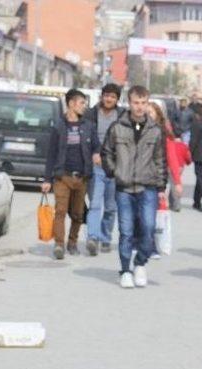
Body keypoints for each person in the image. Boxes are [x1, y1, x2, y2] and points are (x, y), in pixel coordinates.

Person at [102, 85, 167, 289]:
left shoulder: (155, 131)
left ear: (148, 103)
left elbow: (160, 160)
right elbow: (106, 153)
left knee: (147, 228)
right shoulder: (117, 127)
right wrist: (114, 171)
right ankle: (125, 270)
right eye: (136, 103)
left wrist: (161, 185)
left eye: (143, 103)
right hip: (124, 187)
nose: (139, 107)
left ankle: (140, 263)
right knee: (126, 230)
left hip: (147, 186)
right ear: (129, 103)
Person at [42, 89, 101, 260]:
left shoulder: (88, 126)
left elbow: (96, 145)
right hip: (63, 176)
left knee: (77, 213)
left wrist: (96, 153)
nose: (84, 107)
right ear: (71, 104)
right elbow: (51, 154)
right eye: (82, 103)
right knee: (60, 211)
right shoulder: (59, 126)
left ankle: (72, 242)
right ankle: (59, 245)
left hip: (82, 177)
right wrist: (47, 179)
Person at [84, 83, 125, 256]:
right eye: (106, 95)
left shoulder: (123, 116)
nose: (109, 99)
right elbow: (85, 135)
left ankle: (106, 237)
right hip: (96, 166)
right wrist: (94, 152)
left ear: (117, 99)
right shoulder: (91, 114)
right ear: (101, 96)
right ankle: (92, 238)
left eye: (113, 97)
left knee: (110, 207)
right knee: (94, 204)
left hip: (115, 167)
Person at [148, 102, 191, 213]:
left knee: (153, 214)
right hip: (137, 178)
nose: (147, 115)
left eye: (150, 112)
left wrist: (177, 182)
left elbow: (172, 158)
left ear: (157, 114)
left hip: (156, 178)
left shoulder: (163, 133)